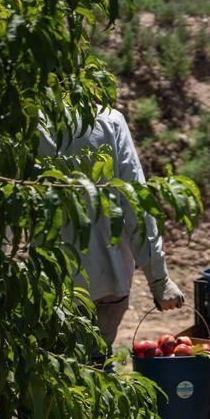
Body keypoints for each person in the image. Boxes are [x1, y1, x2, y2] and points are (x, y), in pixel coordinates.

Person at [39, 107, 185, 364]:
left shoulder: (27, 118)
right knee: (95, 368)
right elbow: (136, 204)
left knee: (50, 369)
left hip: (48, 281)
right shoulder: (107, 120)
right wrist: (159, 279)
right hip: (106, 280)